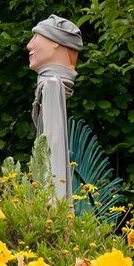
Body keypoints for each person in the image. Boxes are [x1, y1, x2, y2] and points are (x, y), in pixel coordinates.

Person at [25, 15, 84, 203]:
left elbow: (53, 149)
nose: (29, 45)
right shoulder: (51, 85)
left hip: (52, 210)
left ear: (56, 42)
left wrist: (52, 208)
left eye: (36, 37)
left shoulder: (51, 86)